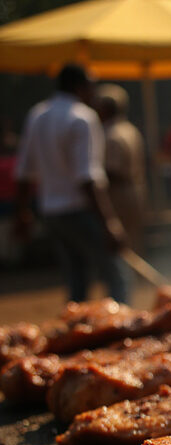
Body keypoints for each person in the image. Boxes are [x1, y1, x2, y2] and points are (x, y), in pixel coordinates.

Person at [14, 63, 128, 303]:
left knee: (76, 277)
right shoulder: (82, 118)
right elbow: (86, 177)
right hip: (79, 209)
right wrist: (109, 223)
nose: (93, 93)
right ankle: (123, 333)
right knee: (116, 276)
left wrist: (22, 212)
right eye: (91, 86)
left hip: (51, 211)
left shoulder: (38, 114)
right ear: (79, 87)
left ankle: (75, 332)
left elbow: (24, 171)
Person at [95, 84, 147, 255]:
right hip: (136, 191)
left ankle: (125, 281)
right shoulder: (130, 130)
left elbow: (112, 171)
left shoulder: (112, 135)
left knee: (121, 246)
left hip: (119, 195)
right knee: (133, 241)